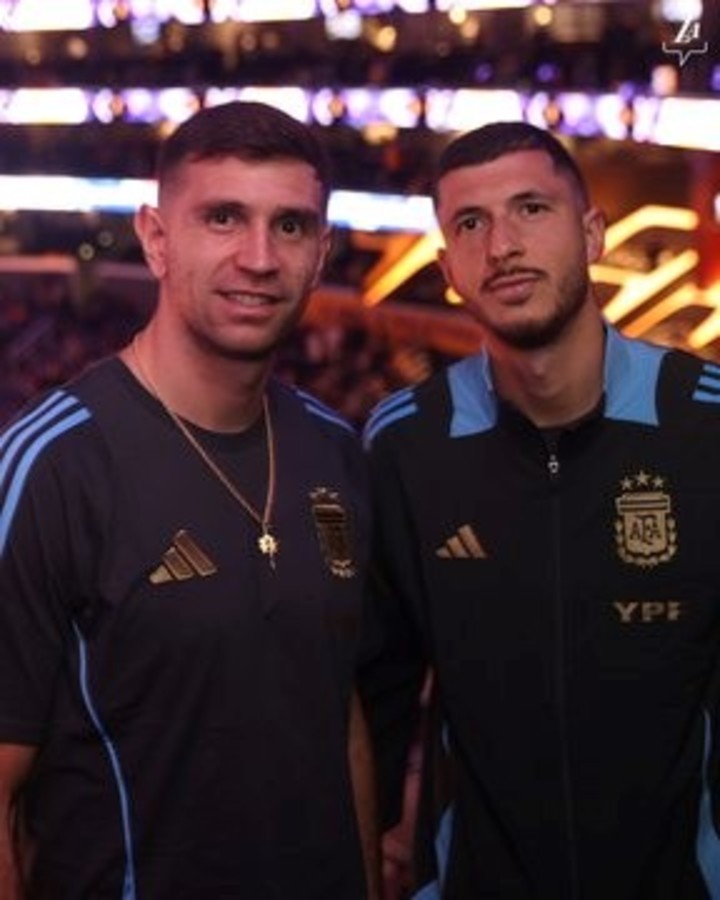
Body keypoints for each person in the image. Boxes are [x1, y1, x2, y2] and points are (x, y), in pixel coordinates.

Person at [0, 100, 380, 899]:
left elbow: (338, 714)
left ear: (321, 253)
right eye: (222, 217)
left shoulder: (335, 450)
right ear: (155, 238)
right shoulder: (53, 465)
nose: (258, 257)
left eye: (291, 226)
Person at [362, 120, 720, 898]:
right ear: (450, 266)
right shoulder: (405, 445)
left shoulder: (706, 426)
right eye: (471, 224)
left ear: (592, 234)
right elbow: (375, 704)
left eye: (532, 209)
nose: (502, 247)